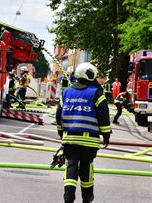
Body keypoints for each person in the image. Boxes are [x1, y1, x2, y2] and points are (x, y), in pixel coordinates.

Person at [56, 62, 111, 203]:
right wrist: (106, 135)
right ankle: (87, 198)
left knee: (71, 166)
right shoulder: (96, 93)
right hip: (89, 140)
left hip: (70, 139)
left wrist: (61, 133)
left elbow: (59, 115)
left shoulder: (66, 92)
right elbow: (103, 116)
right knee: (86, 167)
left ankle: (68, 198)